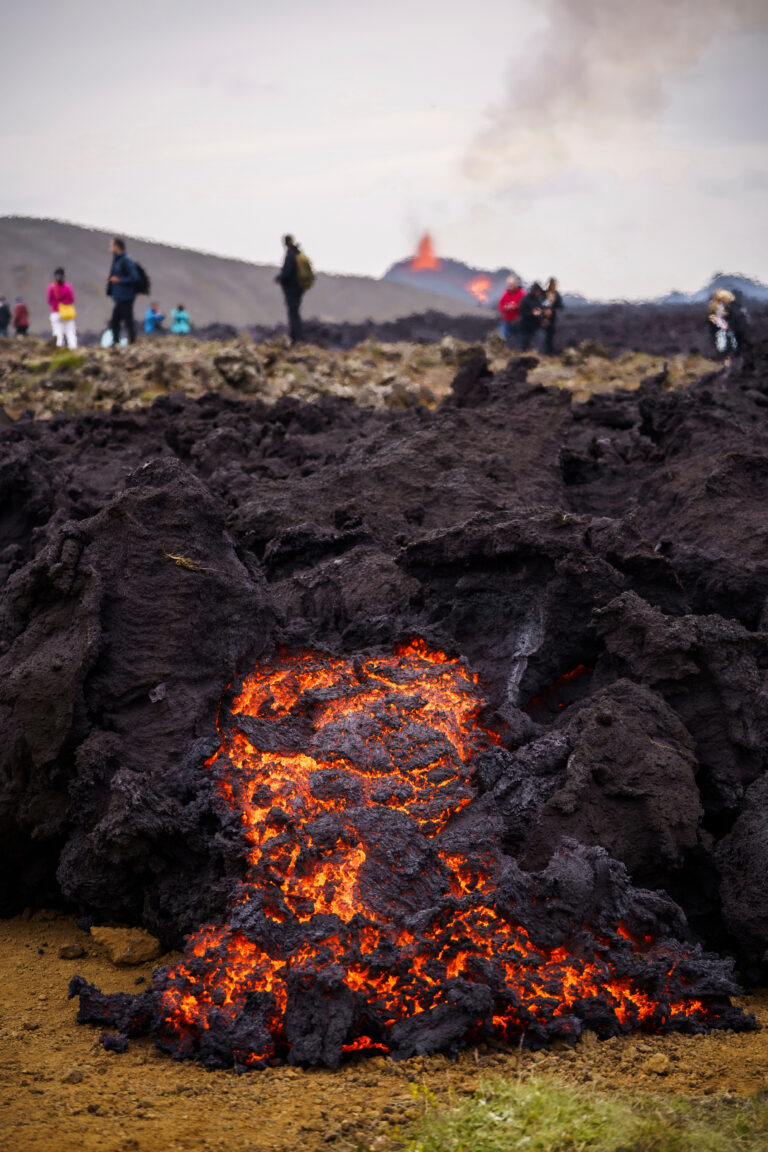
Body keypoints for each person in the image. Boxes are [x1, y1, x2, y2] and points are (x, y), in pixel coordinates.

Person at [107, 237, 139, 345]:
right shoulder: (117, 260)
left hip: (126, 297)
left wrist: (119, 280)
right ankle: (117, 341)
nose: (110, 248)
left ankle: (131, 340)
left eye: (111, 245)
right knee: (116, 320)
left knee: (126, 319)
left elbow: (135, 277)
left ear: (117, 246)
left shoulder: (126, 261)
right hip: (120, 296)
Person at [276, 234, 305, 345]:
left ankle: (295, 339)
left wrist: (279, 278)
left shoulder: (290, 255)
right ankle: (297, 337)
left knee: (293, 313)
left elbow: (286, 273)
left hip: (292, 289)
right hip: (298, 288)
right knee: (295, 312)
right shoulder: (297, 254)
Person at [47, 267, 78, 349]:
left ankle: (59, 348)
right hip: (67, 313)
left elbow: (49, 301)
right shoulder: (68, 287)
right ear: (64, 276)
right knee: (70, 332)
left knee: (57, 333)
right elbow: (72, 299)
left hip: (55, 313)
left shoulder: (51, 288)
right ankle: (73, 349)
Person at [707, 289, 739, 361]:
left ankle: (728, 359)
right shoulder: (713, 306)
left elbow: (733, 318)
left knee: (730, 343)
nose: (723, 300)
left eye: (724, 299)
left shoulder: (729, 307)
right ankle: (723, 358)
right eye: (721, 299)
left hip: (726, 328)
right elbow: (710, 317)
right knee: (721, 344)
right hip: (717, 328)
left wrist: (727, 324)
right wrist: (714, 320)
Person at [497, 275, 526, 350]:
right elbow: (500, 307)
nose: (510, 286)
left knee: (519, 338)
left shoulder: (522, 293)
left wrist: (515, 306)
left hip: (518, 321)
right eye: (509, 284)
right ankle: (501, 350)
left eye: (512, 284)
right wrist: (505, 308)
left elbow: (525, 306)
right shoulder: (505, 294)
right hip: (507, 320)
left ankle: (519, 352)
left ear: (515, 284)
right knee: (502, 336)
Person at [541, 277, 564, 355]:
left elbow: (560, 306)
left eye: (554, 285)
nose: (553, 286)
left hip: (552, 319)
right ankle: (543, 352)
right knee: (543, 336)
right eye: (552, 285)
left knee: (550, 336)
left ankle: (549, 353)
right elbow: (540, 303)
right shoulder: (544, 294)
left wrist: (553, 308)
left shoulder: (557, 295)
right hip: (542, 318)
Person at [519, 282, 545, 351]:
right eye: (537, 291)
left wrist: (541, 314)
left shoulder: (539, 300)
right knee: (525, 344)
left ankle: (540, 354)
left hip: (537, 326)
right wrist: (532, 313)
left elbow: (542, 311)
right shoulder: (525, 300)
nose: (538, 293)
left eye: (539, 292)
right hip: (526, 327)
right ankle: (523, 355)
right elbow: (522, 312)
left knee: (540, 341)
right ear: (533, 291)